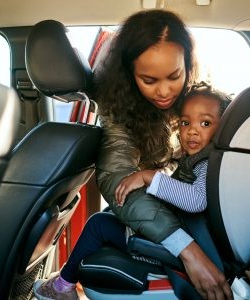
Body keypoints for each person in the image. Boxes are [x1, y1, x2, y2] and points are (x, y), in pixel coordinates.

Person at [32, 82, 232, 300]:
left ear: (222, 129)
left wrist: (148, 177)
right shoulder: (201, 159)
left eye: (205, 123)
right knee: (111, 213)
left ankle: (63, 287)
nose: (192, 130)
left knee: (98, 224)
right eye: (185, 122)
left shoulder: (206, 164)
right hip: (180, 232)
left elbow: (195, 200)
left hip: (174, 248)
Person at [95, 9, 233, 300]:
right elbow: (116, 177)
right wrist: (188, 250)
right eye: (149, 80)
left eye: (174, 76)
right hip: (170, 208)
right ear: (130, 75)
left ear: (187, 65)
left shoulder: (199, 97)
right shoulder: (118, 115)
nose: (164, 91)